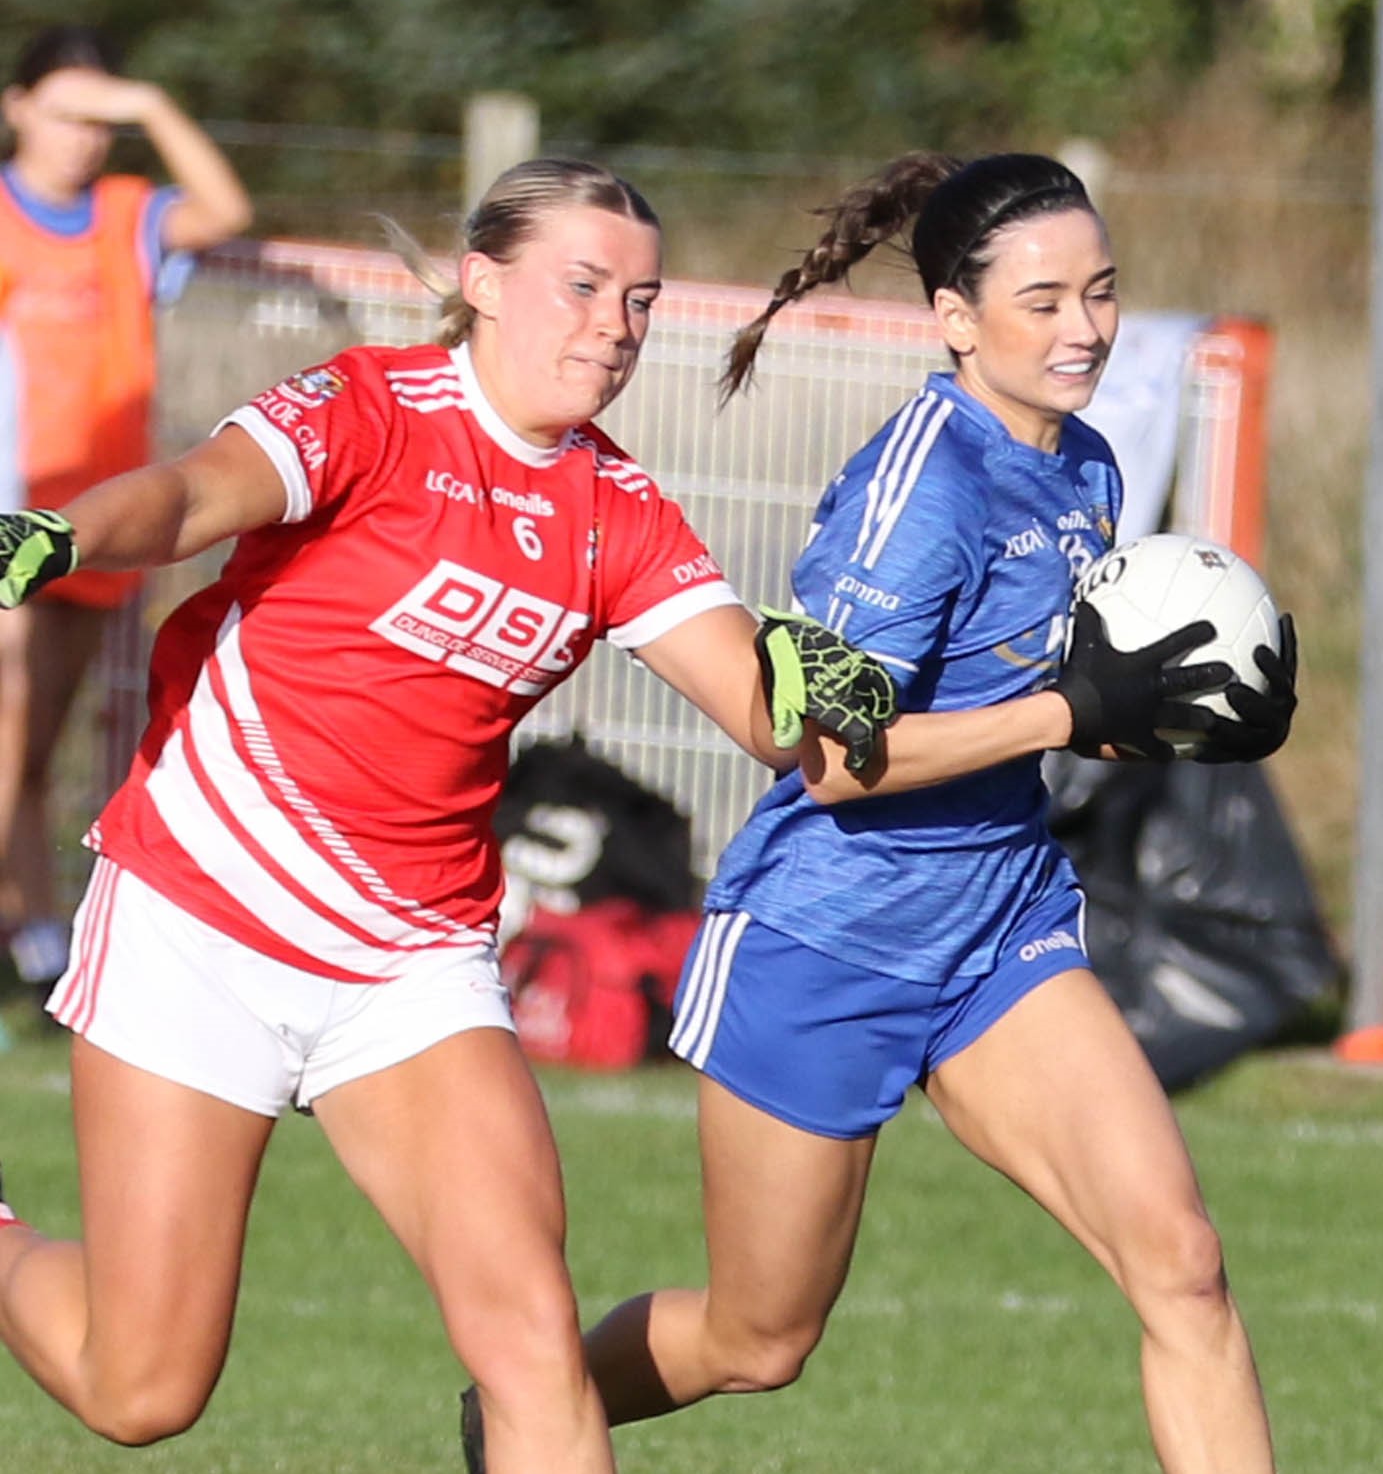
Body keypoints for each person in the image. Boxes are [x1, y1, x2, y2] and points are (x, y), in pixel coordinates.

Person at [0, 156, 895, 1473]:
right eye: (581, 287)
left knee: (532, 1345)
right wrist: (66, 535)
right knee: (139, 1390)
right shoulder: (372, 409)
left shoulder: (614, 505)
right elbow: (188, 495)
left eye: (641, 302)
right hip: (201, 918)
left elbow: (754, 709)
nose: (614, 326)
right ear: (480, 284)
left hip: (410, 963)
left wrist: (801, 674)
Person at [463, 152, 1297, 1473]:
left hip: (996, 926)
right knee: (757, 1341)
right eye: (1041, 302)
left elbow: (1068, 689)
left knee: (1181, 1264)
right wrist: (1065, 717)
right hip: (822, 948)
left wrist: (1174, 705)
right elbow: (827, 760)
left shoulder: (1081, 465)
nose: (1080, 328)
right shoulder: (917, 494)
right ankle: (527, 1406)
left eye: (1100, 292)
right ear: (955, 319)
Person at [0, 24, 252, 1005]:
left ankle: (26, 934)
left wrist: (148, 107)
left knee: (37, 736)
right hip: (13, 510)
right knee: (10, 712)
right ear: (18, 107)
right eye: (67, 113)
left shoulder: (122, 215)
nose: (83, 138)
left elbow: (227, 208)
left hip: (96, 520)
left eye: (102, 121)